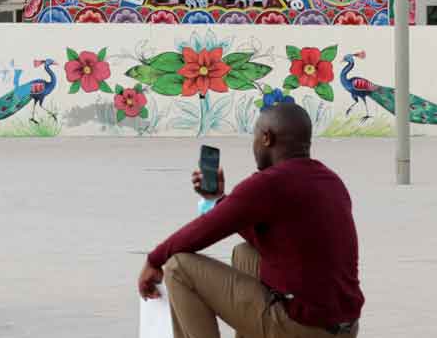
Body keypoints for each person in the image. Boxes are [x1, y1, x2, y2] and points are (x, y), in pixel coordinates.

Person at [137, 103, 363, 338]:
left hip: (302, 326)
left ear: (267, 138)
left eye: (254, 137)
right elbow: (264, 233)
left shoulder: (268, 184)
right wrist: (218, 200)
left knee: (178, 267)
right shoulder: (329, 180)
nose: (253, 146)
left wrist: (154, 260)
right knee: (245, 254)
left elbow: (203, 232)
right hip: (342, 327)